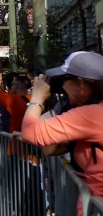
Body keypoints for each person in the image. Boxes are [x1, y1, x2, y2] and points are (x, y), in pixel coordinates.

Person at [21, 51, 103, 200]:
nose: (61, 86)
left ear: (80, 84)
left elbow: (30, 132)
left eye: (64, 80)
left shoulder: (90, 115)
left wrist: (37, 97)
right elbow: (50, 149)